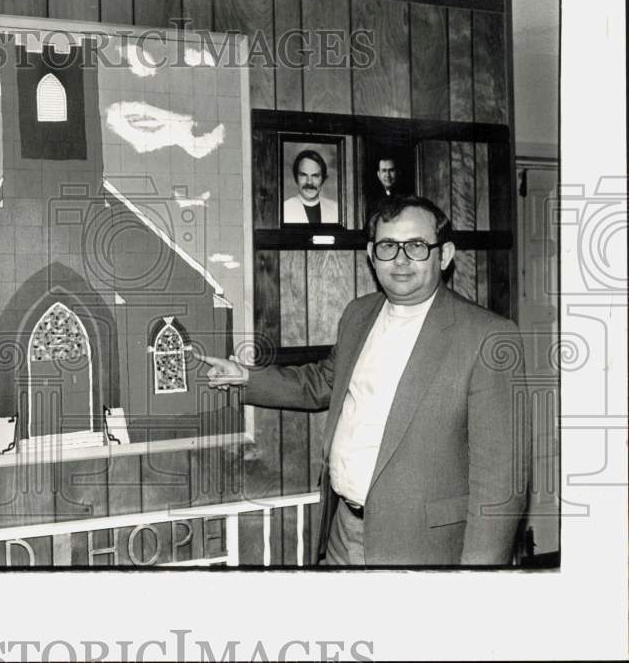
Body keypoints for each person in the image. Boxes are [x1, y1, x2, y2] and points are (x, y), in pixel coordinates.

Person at [195, 195, 529, 566]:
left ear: (445, 254)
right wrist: (245, 377)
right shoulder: (359, 314)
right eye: (388, 246)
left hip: (427, 549)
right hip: (342, 531)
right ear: (372, 254)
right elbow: (322, 381)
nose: (400, 260)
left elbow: (502, 483)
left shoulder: (487, 336)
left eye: (416, 246)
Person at [283, 149, 339, 224]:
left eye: (315, 176)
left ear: (323, 178)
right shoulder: (284, 209)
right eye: (303, 175)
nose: (309, 182)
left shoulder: (335, 209)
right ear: (296, 177)